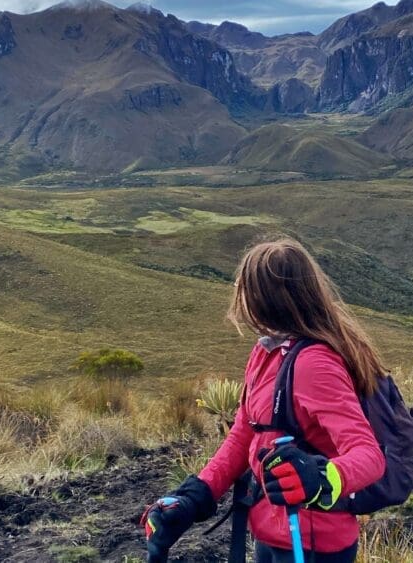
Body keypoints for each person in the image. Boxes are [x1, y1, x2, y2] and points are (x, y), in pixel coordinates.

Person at [142, 238, 387, 562]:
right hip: (270, 534)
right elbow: (245, 432)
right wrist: (196, 495)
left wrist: (321, 478)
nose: (238, 295)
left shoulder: (315, 365)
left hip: (313, 545)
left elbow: (369, 456)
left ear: (266, 298)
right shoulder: (264, 353)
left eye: (243, 288)